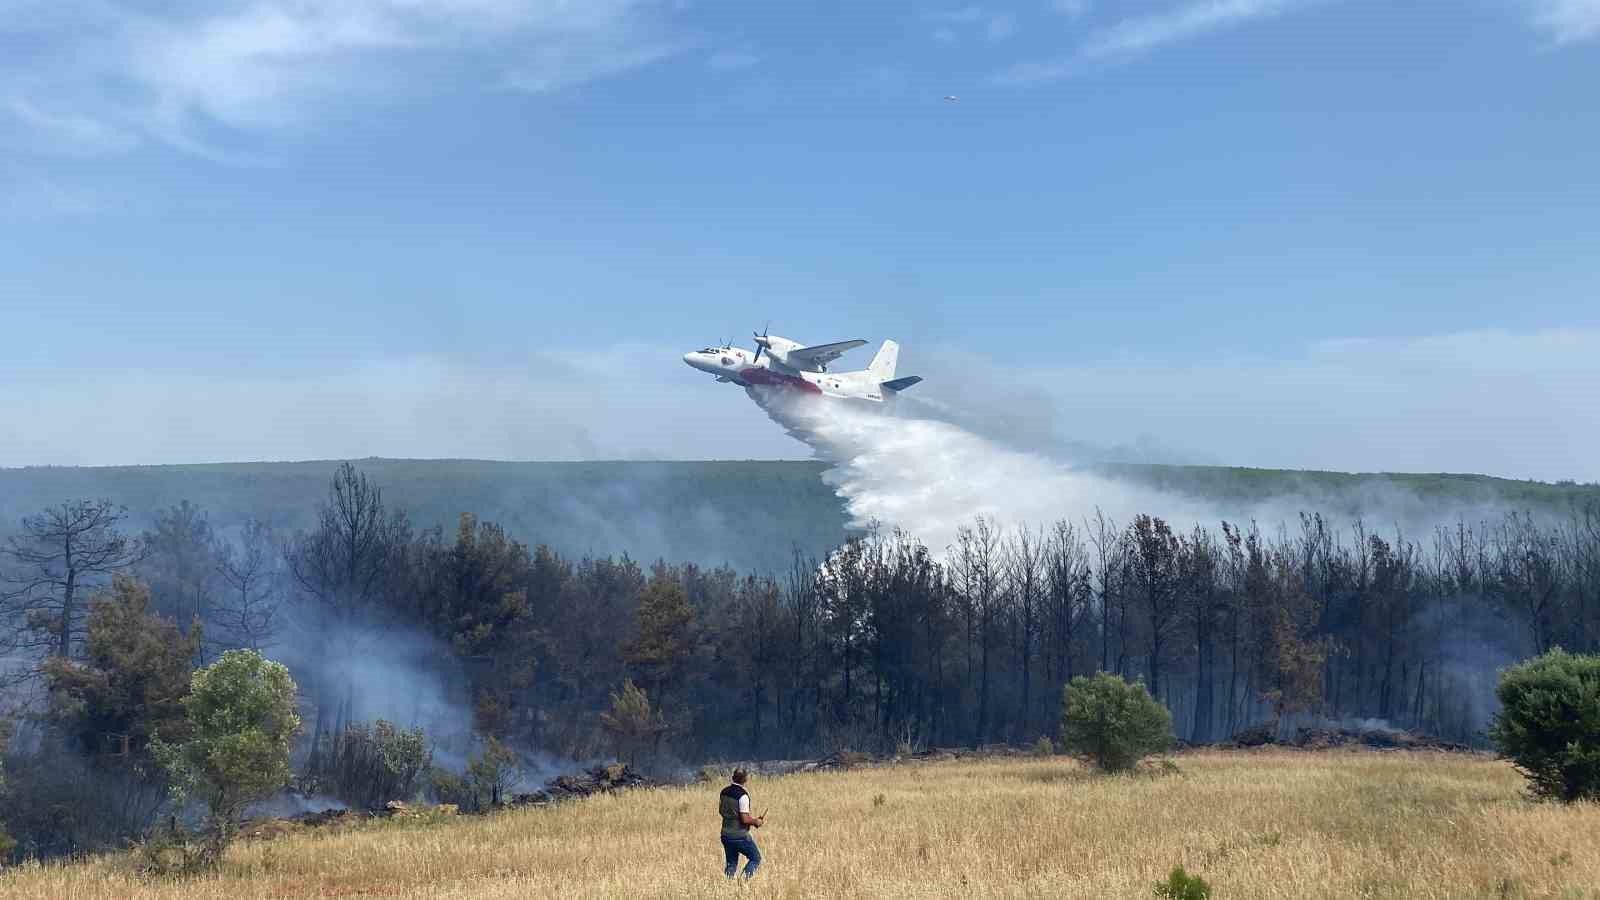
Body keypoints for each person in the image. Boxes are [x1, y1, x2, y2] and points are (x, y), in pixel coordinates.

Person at [718, 768, 765, 879]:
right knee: (755, 858)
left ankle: (726, 886)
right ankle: (743, 882)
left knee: (731, 863)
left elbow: (721, 811)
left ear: (733, 777)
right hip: (739, 835)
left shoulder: (723, 792)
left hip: (725, 834)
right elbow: (744, 819)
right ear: (745, 779)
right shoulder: (743, 796)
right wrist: (756, 822)